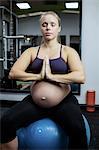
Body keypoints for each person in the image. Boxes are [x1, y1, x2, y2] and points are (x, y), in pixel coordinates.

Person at [0, 11, 88, 150]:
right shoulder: (32, 51)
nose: (48, 27)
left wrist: (52, 77)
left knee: (78, 129)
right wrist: (39, 77)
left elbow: (80, 77)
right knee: (6, 121)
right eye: (44, 24)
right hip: (35, 103)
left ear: (59, 28)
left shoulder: (67, 51)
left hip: (63, 103)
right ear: (41, 28)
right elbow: (13, 73)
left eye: (52, 24)